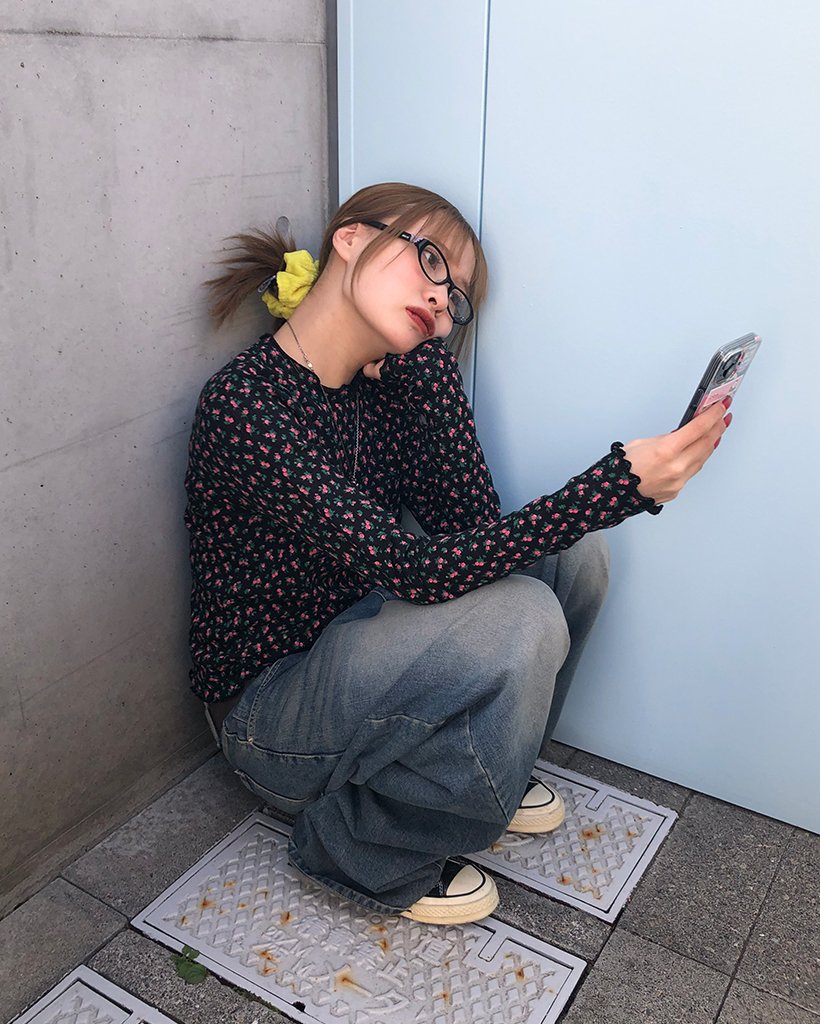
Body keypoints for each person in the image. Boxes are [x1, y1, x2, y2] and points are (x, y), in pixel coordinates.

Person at [184, 182, 731, 926]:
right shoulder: (245, 405)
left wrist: (428, 376)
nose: (443, 300)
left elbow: (472, 532)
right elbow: (418, 571)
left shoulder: (392, 388)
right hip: (270, 716)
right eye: (432, 262)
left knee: (572, 560)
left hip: (365, 652)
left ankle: (482, 772)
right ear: (350, 237)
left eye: (457, 299)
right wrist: (616, 486)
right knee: (523, 613)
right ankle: (360, 848)